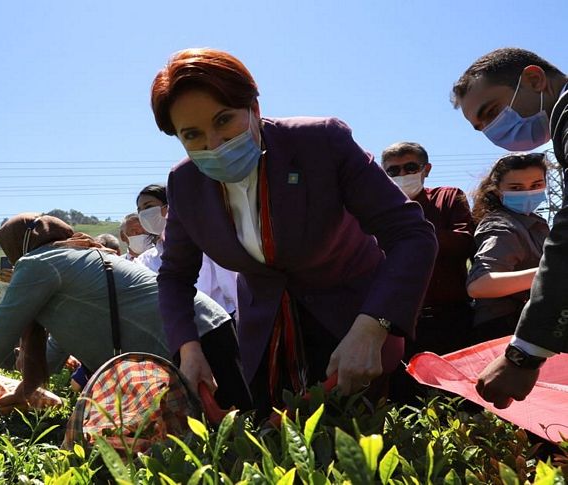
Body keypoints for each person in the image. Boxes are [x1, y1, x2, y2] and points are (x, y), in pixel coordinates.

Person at [149, 48, 437, 410]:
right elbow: (174, 276)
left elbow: (411, 234)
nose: (214, 145)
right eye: (192, 135)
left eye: (224, 120)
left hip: (354, 330)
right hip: (267, 343)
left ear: (254, 107)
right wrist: (187, 347)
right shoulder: (186, 183)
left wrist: (373, 326)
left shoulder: (319, 143)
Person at [0, 213, 252, 412]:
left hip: (191, 341)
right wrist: (23, 392)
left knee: (228, 438)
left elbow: (1, 332)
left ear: (17, 249)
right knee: (228, 431)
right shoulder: (74, 258)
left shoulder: (38, 263)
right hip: (205, 329)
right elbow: (58, 346)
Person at [451, 47, 568, 407]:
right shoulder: (504, 226)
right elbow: (481, 283)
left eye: (491, 112)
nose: (493, 131)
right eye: (481, 127)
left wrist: (524, 353)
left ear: (534, 80)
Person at [381, 142, 475, 356]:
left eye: (411, 168)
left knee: (451, 385)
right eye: (393, 171)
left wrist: (409, 236)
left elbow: (464, 242)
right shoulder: (378, 210)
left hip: (450, 316)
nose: (403, 174)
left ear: (427, 169)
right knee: (401, 385)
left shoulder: (448, 197)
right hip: (395, 318)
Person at [466, 153, 550, 341]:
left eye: (536, 185)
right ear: (497, 191)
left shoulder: (536, 224)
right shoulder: (500, 226)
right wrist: (552, 273)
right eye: (516, 188)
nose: (528, 192)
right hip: (503, 330)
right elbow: (480, 285)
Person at [136, 184, 239, 316]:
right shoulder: (144, 261)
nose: (143, 214)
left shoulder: (207, 243)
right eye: (139, 210)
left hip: (218, 323)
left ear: (169, 206)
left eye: (149, 206)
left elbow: (233, 287)